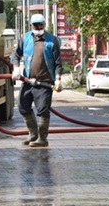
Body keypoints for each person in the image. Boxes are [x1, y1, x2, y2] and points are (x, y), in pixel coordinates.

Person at [10, 14, 63, 148]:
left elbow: (58, 63)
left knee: (43, 110)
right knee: (22, 106)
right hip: (28, 80)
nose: (38, 27)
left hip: (45, 82)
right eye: (36, 25)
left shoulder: (52, 41)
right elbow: (15, 55)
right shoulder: (26, 38)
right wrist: (16, 68)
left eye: (41, 24)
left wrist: (57, 79)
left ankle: (42, 138)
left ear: (44, 24)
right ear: (31, 26)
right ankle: (33, 133)